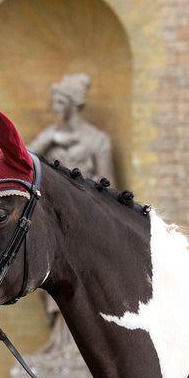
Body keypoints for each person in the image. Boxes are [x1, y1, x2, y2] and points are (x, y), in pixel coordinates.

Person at [28, 75, 115, 353]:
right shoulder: (51, 137)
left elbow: (108, 185)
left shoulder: (97, 140)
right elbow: (22, 159)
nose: (56, 107)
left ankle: (78, 344)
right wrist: (49, 139)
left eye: (60, 101)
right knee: (48, 273)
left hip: (84, 221)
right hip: (53, 221)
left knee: (80, 277)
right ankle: (58, 340)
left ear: (73, 104)